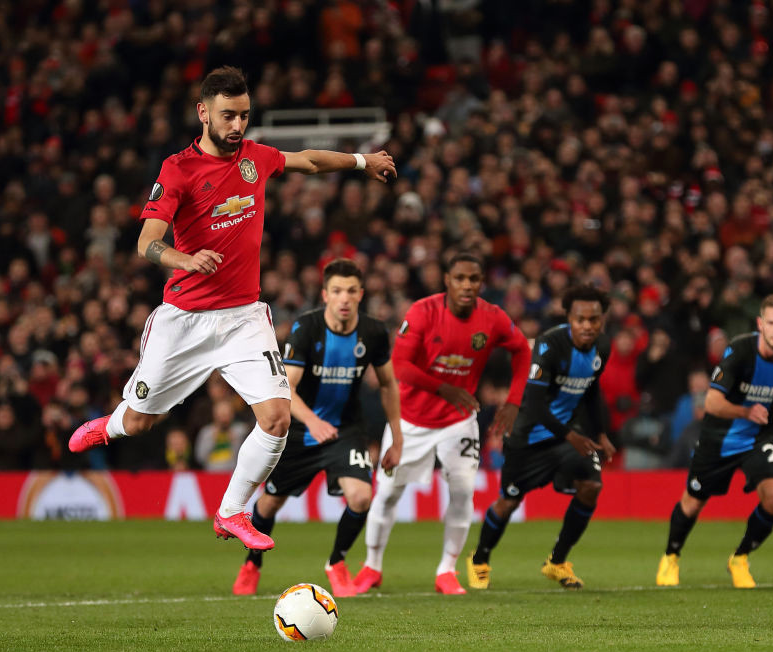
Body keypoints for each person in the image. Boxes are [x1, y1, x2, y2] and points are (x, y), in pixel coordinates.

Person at [67, 66, 396, 551]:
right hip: (184, 320)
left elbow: (308, 160)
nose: (237, 125)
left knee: (277, 418)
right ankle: (109, 426)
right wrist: (185, 259)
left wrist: (362, 161)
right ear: (203, 113)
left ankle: (232, 511)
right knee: (139, 423)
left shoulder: (255, 158)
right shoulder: (178, 169)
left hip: (243, 317)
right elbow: (146, 242)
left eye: (244, 115)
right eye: (228, 115)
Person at [354, 253, 532, 596]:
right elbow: (399, 365)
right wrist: (445, 389)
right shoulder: (423, 311)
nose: (467, 285)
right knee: (387, 493)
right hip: (410, 419)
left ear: (481, 283)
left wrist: (513, 402)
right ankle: (372, 566)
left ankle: (446, 570)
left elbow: (523, 350)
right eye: (460, 278)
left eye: (474, 279)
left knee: (463, 492)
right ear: (447, 280)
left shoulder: (492, 317)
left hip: (458, 421)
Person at [232, 258, 402, 597]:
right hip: (300, 431)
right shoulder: (307, 328)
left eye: (351, 291)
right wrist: (313, 421)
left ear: (361, 294)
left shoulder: (373, 332)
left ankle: (336, 563)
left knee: (361, 497)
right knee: (269, 504)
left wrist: (397, 439)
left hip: (345, 430)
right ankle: (252, 563)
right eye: (337, 291)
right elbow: (287, 388)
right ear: (325, 294)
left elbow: (388, 384)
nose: (344, 298)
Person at [657, 294, 773, 589]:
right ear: (760, 323)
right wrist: (746, 411)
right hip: (718, 437)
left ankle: (740, 557)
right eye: (771, 323)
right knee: (693, 503)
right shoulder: (740, 351)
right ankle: (671, 556)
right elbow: (711, 402)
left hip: (759, 437)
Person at [466, 284, 614, 590]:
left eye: (594, 319)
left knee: (591, 486)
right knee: (508, 502)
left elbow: (591, 390)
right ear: (569, 318)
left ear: (602, 320)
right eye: (581, 319)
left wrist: (599, 432)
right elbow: (533, 403)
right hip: (528, 438)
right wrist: (571, 436)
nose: (587, 326)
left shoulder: (603, 346)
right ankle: (479, 559)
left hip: (567, 435)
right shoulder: (549, 346)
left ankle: (557, 562)